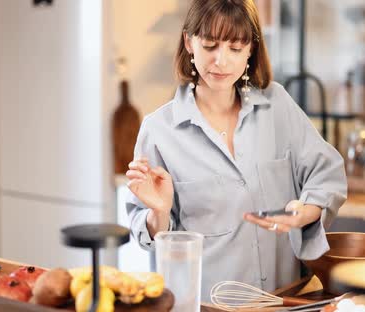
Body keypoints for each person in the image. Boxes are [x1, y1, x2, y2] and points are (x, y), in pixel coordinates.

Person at [125, 0, 347, 302]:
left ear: (251, 49)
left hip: (288, 300)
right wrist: (159, 212)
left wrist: (305, 212)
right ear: (189, 42)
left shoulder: (277, 104)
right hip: (211, 305)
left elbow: (327, 172)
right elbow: (150, 237)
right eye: (210, 45)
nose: (222, 61)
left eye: (235, 48)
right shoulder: (159, 130)